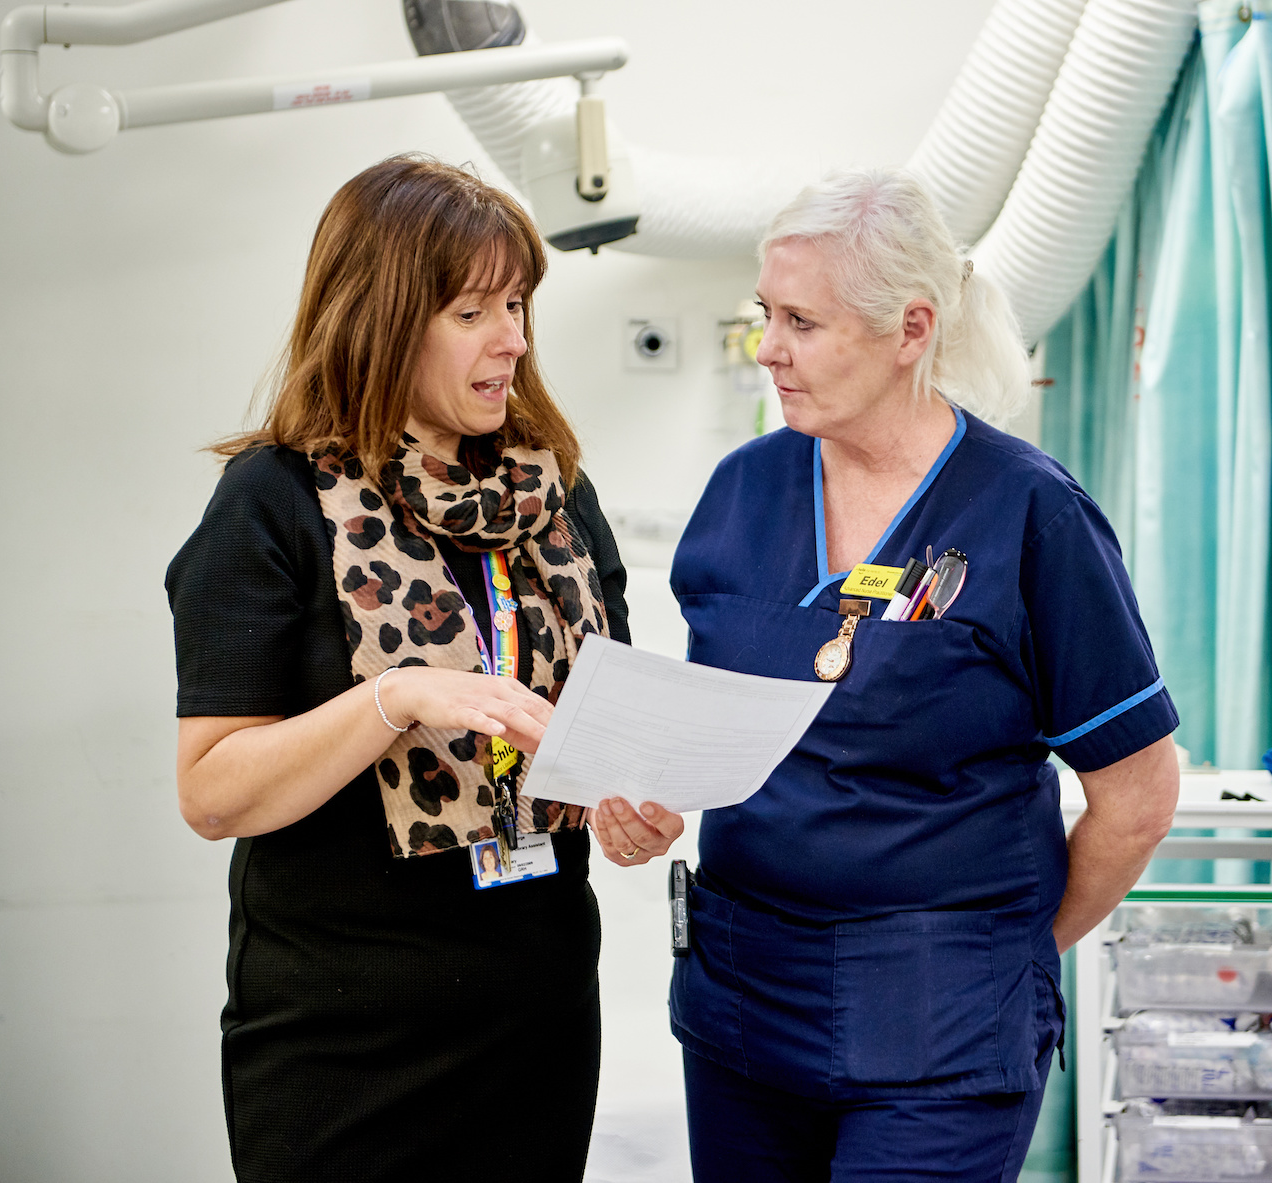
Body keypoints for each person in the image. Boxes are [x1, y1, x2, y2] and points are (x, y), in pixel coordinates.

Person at [592, 169, 1182, 1181]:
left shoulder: (1027, 513)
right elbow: (712, 742)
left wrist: (1004, 960)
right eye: (764, 315)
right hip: (739, 1003)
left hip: (939, 1021)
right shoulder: (743, 491)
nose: (768, 348)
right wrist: (642, 810)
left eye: (803, 323)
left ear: (910, 329)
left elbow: (1135, 799)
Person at [165, 154, 673, 1181]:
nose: (513, 341)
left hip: (537, 1016)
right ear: (383, 317)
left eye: (519, 304)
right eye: (472, 311)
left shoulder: (556, 495)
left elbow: (603, 720)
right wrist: (393, 698)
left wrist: (633, 800)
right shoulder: (272, 503)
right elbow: (213, 792)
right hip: (346, 1044)